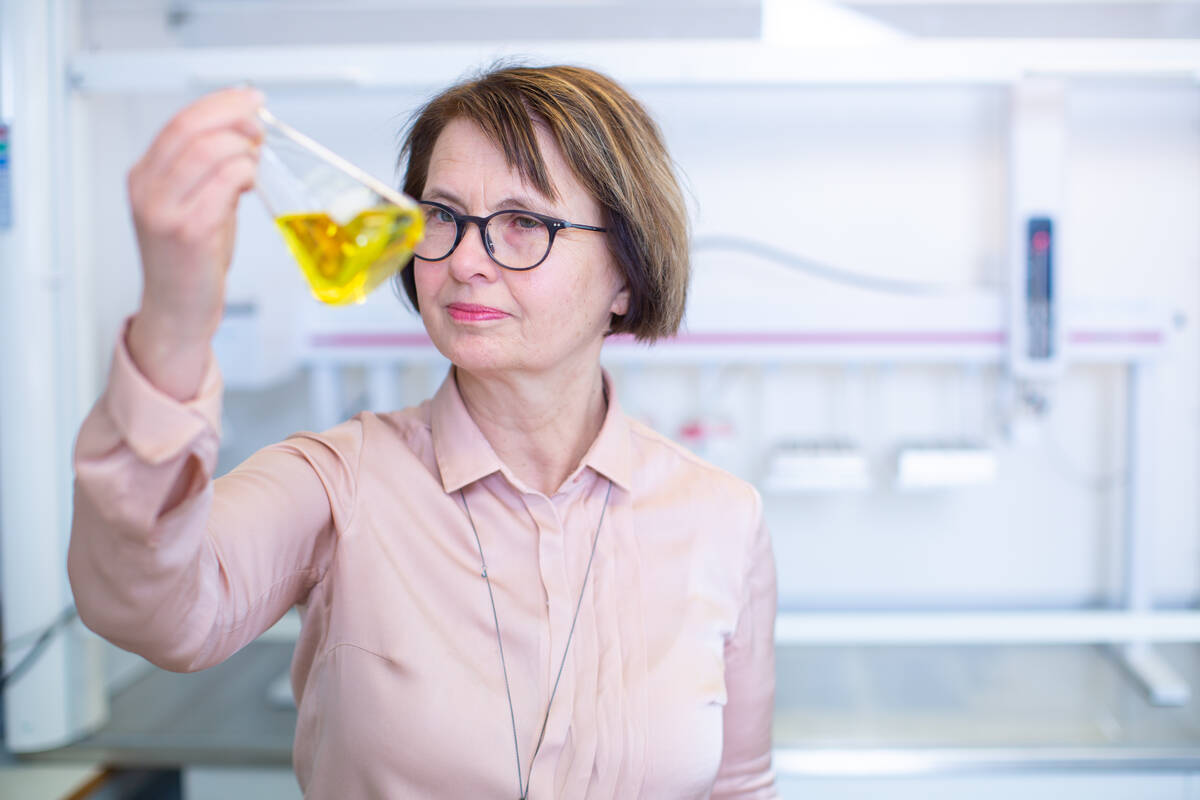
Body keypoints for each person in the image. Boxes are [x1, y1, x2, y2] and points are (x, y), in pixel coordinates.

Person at [68, 64, 778, 799]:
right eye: (442, 216)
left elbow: (740, 784)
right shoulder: (338, 481)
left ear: (626, 274)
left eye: (524, 222)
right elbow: (148, 607)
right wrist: (176, 319)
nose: (465, 261)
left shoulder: (721, 516)